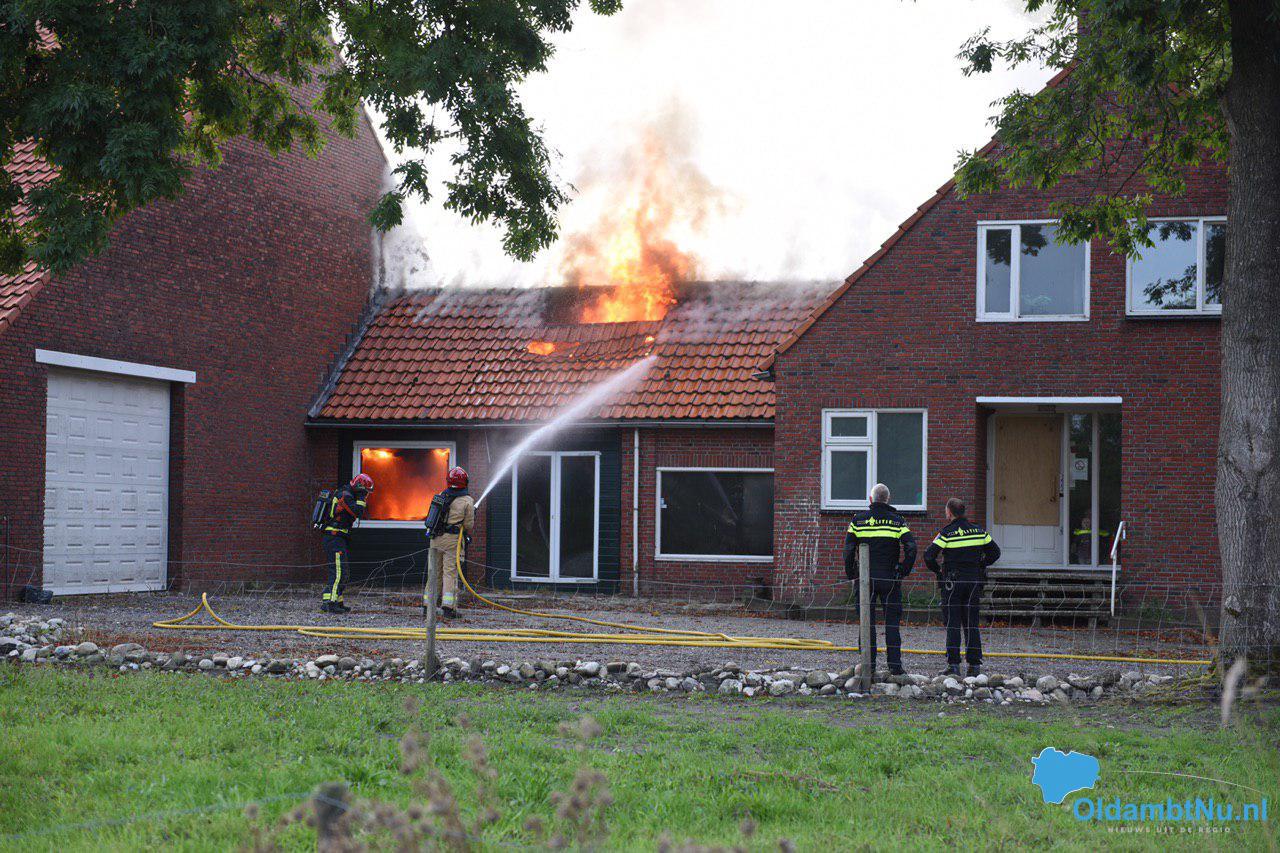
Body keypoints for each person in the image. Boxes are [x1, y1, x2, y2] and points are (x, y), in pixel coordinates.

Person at [844, 483, 917, 676]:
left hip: (865, 579)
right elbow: (911, 547)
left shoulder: (858, 521)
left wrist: (852, 573)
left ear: (871, 499)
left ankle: (869, 665)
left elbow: (848, 550)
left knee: (866, 623)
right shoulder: (897, 521)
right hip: (890, 578)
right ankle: (895, 666)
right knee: (892, 623)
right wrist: (902, 570)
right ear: (887, 500)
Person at [924, 498, 1001, 677]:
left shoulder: (946, 533)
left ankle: (953, 665)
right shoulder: (978, 531)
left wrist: (939, 571)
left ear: (949, 512)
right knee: (971, 623)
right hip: (973, 582)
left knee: (953, 623)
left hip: (952, 584)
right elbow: (995, 552)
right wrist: (981, 564)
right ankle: (974, 666)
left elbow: (928, 555)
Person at [424, 466, 476, 619]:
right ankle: (448, 607)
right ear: (465, 482)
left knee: (434, 573)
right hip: (452, 541)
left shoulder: (441, 495)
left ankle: (428, 606)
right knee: (449, 573)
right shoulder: (467, 501)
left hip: (435, 539)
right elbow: (468, 526)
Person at [321, 473, 373, 614]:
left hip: (338, 538)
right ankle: (330, 603)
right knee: (338, 572)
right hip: (334, 538)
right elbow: (357, 512)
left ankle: (337, 601)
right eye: (365, 491)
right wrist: (361, 498)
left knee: (343, 572)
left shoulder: (347, 493)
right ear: (360, 487)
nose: (366, 495)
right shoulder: (346, 496)